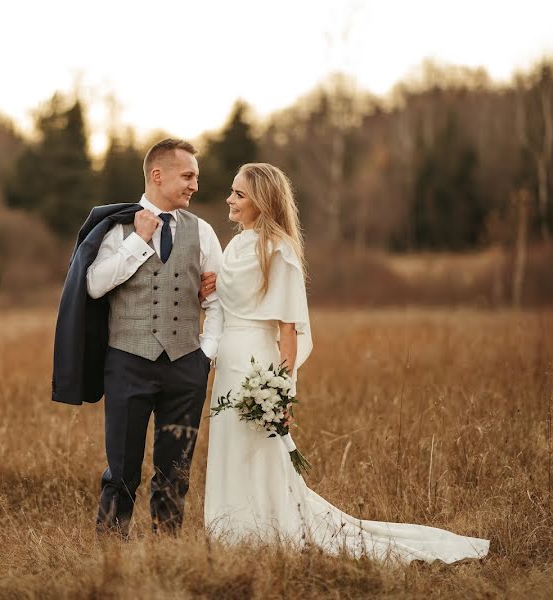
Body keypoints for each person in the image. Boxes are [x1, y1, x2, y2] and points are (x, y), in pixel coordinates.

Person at [200, 163, 489, 563]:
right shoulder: (233, 247)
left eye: (239, 194)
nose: (230, 200)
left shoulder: (279, 250)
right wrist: (212, 285)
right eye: (232, 191)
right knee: (230, 446)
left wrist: (281, 391)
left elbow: (288, 329)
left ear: (262, 202)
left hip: (257, 366)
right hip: (228, 364)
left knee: (260, 451)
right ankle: (230, 533)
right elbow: (229, 294)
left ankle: (266, 533)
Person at [51, 139, 223, 537]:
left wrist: (206, 354)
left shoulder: (204, 232)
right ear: (157, 176)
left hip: (186, 365)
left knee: (175, 467)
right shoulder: (116, 228)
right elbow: (92, 286)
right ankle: (111, 548)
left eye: (196, 176)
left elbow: (218, 301)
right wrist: (138, 241)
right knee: (123, 467)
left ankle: (166, 548)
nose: (195, 184)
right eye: (188, 175)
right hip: (127, 363)